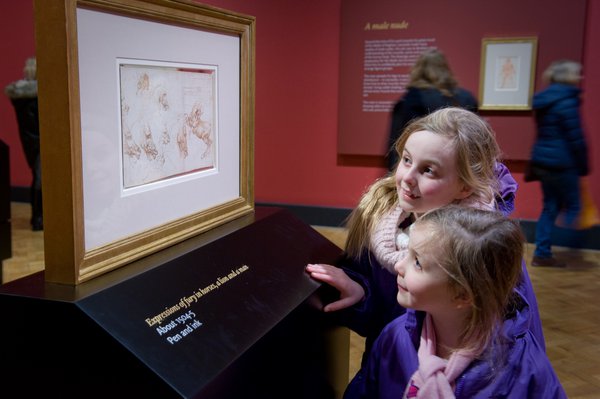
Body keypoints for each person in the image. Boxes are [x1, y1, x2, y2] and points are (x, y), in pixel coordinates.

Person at [306, 107, 545, 388]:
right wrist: (360, 294)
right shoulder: (380, 221)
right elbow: (380, 324)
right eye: (406, 160)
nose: (407, 177)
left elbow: (517, 345)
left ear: (464, 187)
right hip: (391, 376)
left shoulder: (484, 248)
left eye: (428, 170)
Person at [347, 205, 566, 399]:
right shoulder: (395, 337)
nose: (398, 266)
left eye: (417, 262)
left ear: (463, 295)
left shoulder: (525, 369)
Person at [528, 60, 588, 267]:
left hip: (543, 161)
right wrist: (583, 165)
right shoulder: (567, 100)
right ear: (568, 77)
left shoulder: (544, 100)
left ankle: (542, 253)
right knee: (574, 206)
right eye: (577, 74)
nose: (580, 78)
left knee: (549, 207)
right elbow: (576, 137)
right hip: (563, 162)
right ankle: (571, 250)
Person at [386, 48, 478, 170]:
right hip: (461, 169)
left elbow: (396, 144)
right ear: (445, 69)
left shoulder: (411, 99)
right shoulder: (467, 98)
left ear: (418, 70)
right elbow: (475, 141)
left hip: (423, 170)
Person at [4, 57, 42, 231]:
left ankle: (38, 217)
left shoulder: (21, 97)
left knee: (38, 178)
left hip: (31, 143)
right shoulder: (34, 98)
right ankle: (39, 219)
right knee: (40, 180)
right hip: (41, 142)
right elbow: (39, 125)